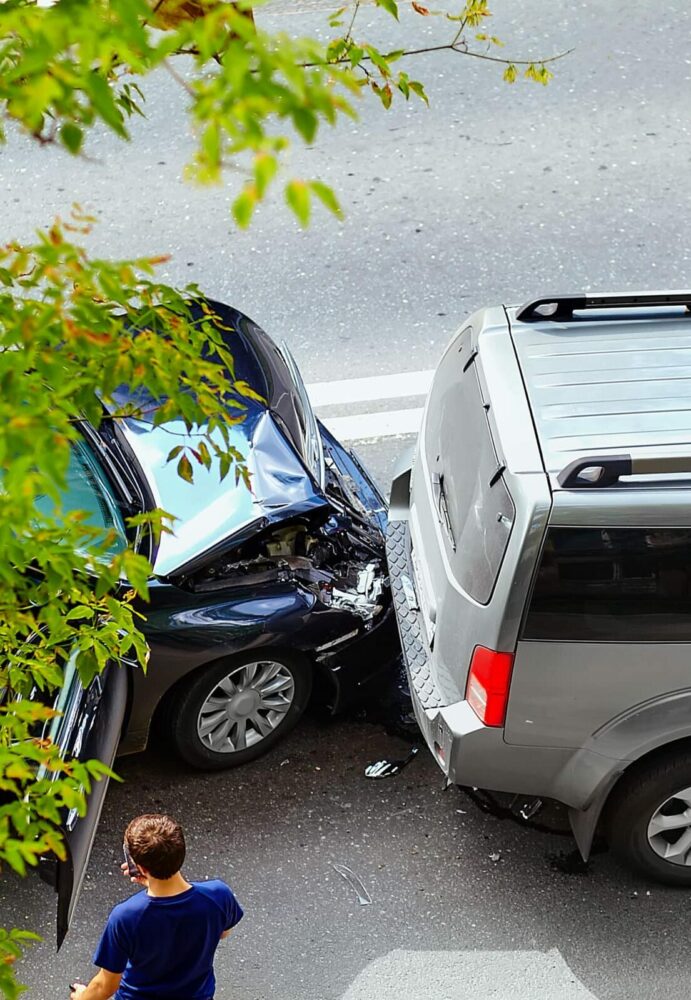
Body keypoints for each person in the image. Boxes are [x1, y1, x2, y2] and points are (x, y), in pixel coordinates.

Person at [69, 813, 243, 1000]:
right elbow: (223, 932)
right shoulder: (218, 894)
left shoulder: (126, 916)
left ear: (141, 868)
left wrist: (81, 997)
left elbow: (105, 985)